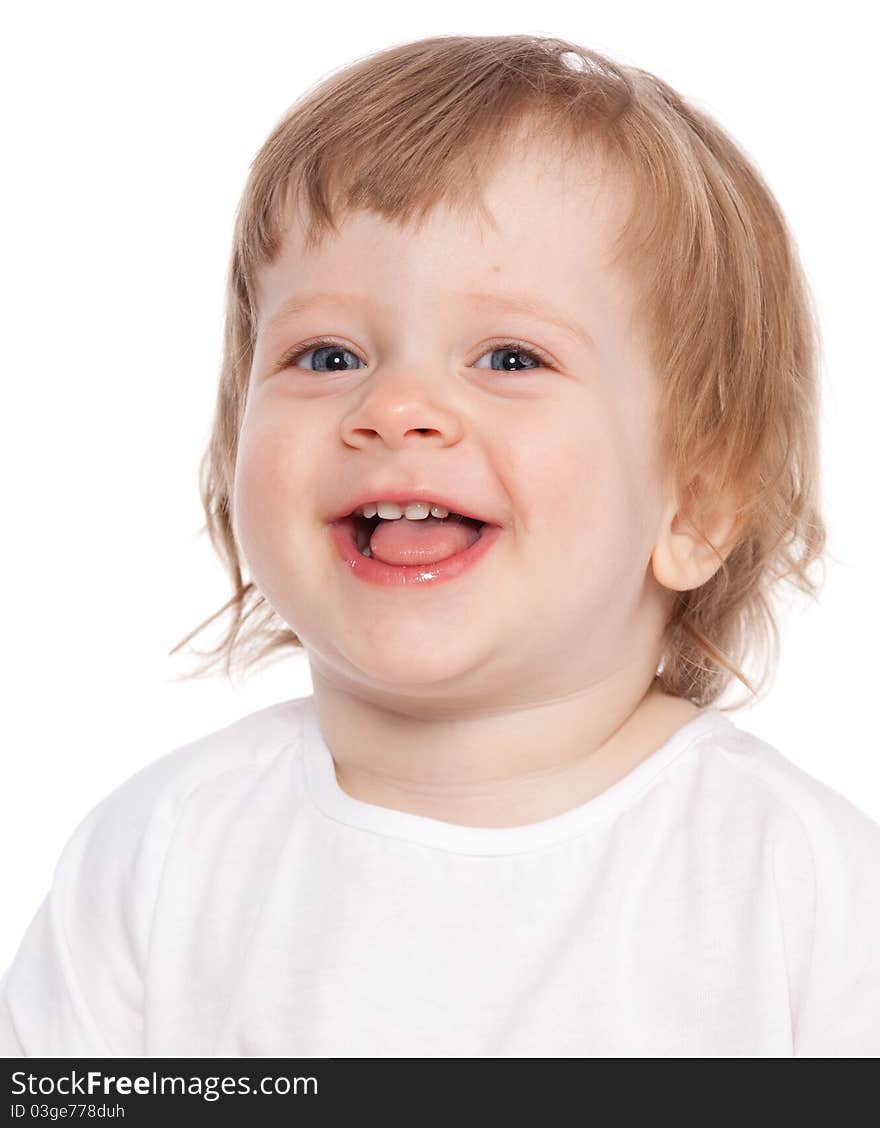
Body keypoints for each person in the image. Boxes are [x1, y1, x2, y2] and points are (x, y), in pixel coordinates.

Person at [2, 33, 877, 1058]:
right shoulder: (162, 855)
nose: (397, 406)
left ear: (694, 505)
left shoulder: (798, 887)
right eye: (326, 355)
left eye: (509, 356)